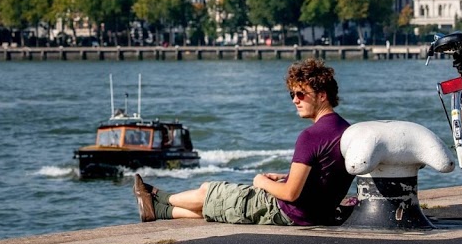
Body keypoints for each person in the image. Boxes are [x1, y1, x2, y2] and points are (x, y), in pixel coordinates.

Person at [132, 58, 353, 226]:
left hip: (284, 211)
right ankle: (157, 211)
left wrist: (261, 181)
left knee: (209, 190)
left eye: (300, 94)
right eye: (292, 94)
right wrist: (283, 177)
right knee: (215, 208)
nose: (295, 100)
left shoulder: (310, 136)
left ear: (322, 95)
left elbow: (291, 194)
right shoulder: (344, 129)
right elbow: (321, 177)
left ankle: (157, 196)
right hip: (313, 214)